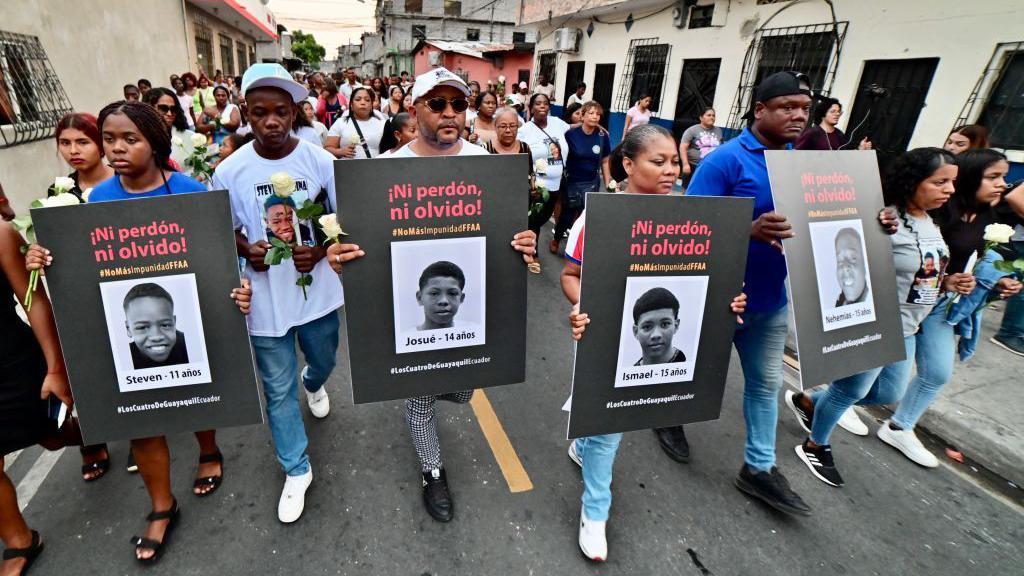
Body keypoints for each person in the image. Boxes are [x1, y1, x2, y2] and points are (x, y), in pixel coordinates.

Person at [25, 101, 251, 562]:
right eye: (110, 139)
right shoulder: (96, 202)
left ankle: (208, 449)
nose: (118, 148)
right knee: (141, 418)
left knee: (195, 393)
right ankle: (161, 506)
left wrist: (239, 288)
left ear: (156, 142)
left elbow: (220, 256)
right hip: (127, 326)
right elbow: (83, 275)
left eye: (131, 139)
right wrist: (44, 261)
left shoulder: (189, 191)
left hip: (188, 314)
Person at [327, 67, 537, 524]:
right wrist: (338, 254)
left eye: (458, 105)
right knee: (419, 396)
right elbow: (350, 241)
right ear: (413, 109)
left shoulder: (490, 169)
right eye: (437, 104)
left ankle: (429, 394)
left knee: (462, 391)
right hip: (411, 317)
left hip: (468, 312)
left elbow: (509, 236)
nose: (449, 113)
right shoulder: (383, 172)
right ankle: (432, 471)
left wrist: (524, 243)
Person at [562, 124, 746, 561]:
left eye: (675, 163)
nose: (671, 171)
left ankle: (581, 444)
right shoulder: (597, 217)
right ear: (628, 164)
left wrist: (730, 299)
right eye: (657, 162)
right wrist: (581, 306)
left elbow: (711, 279)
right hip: (600, 336)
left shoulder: (692, 219)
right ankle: (595, 513)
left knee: (604, 426)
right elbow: (571, 277)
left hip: (651, 350)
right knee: (611, 429)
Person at [784, 147, 980, 486]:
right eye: (939, 182)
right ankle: (816, 444)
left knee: (887, 393)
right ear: (912, 182)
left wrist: (948, 282)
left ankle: (809, 401)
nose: (949, 190)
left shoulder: (931, 221)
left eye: (952, 183)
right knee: (851, 390)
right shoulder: (883, 219)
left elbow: (920, 272)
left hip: (907, 327)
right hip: (874, 324)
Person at [684, 71, 823, 516]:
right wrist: (746, 230)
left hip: (770, 303)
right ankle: (666, 419)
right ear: (759, 110)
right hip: (720, 302)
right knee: (688, 375)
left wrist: (875, 224)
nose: (798, 116)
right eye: (787, 107)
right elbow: (687, 231)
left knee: (764, 385)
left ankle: (759, 469)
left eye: (804, 108)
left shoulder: (798, 164)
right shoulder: (724, 162)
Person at [212, 63, 344, 524]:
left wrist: (323, 249)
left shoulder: (318, 160)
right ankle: (296, 468)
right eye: (260, 111)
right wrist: (245, 248)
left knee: (323, 359)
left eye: (281, 112)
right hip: (265, 299)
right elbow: (219, 230)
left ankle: (316, 381)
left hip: (318, 292)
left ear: (295, 113)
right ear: (245, 114)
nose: (271, 121)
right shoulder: (230, 171)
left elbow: (342, 217)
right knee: (277, 388)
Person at [1, 218, 75, 576]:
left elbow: (33, 301)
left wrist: (55, 369)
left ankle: (93, 433)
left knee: (52, 437)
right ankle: (20, 540)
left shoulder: (0, 233)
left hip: (12, 364)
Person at [553, 101, 611, 255]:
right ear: (583, 115)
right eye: (591, 113)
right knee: (566, 216)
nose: (595, 117)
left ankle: (576, 249)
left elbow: (605, 161)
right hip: (572, 182)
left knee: (585, 218)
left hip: (591, 183)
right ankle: (556, 238)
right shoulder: (570, 134)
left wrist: (609, 182)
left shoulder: (602, 136)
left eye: (598, 114)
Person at [518, 93, 570, 240]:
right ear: (531, 108)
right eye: (538, 103)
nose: (542, 106)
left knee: (543, 218)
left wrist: (594, 125)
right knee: (534, 221)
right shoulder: (525, 130)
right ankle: (532, 255)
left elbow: (572, 127)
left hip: (556, 185)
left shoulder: (557, 123)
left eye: (545, 103)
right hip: (537, 187)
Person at [124, 283, 189, 368]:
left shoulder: (190, 347)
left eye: (165, 325)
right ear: (128, 329)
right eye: (142, 327)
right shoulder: (124, 359)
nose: (157, 337)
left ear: (174, 323)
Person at [52, 112, 115, 201]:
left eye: (83, 142)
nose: (73, 151)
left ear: (101, 143)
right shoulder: (60, 192)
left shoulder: (129, 181)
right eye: (65, 143)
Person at [144, 87, 202, 177]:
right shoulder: (139, 139)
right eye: (163, 108)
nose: (169, 114)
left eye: (173, 109)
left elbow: (202, 171)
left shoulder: (191, 137)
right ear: (148, 108)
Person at [325, 87, 386, 159]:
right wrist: (340, 152)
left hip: (374, 168)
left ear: (371, 105)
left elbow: (390, 151)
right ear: (351, 105)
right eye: (358, 99)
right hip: (347, 168)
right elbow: (327, 149)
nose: (363, 103)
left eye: (367, 100)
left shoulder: (382, 124)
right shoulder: (341, 123)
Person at [794, 98, 871, 151]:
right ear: (823, 113)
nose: (837, 114)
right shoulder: (811, 133)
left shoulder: (839, 134)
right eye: (833, 111)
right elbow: (795, 156)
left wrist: (860, 149)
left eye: (838, 111)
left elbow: (845, 158)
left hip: (832, 174)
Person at [679, 107, 722, 188]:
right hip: (693, 166)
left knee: (705, 190)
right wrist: (685, 164)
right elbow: (683, 147)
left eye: (713, 115)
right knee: (687, 191)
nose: (712, 117)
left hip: (711, 167)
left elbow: (721, 148)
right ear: (701, 118)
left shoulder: (718, 131)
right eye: (708, 115)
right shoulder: (692, 130)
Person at [832, 228, 869, 305]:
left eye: (853, 258)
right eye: (839, 261)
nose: (845, 267)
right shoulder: (837, 305)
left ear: (865, 264)